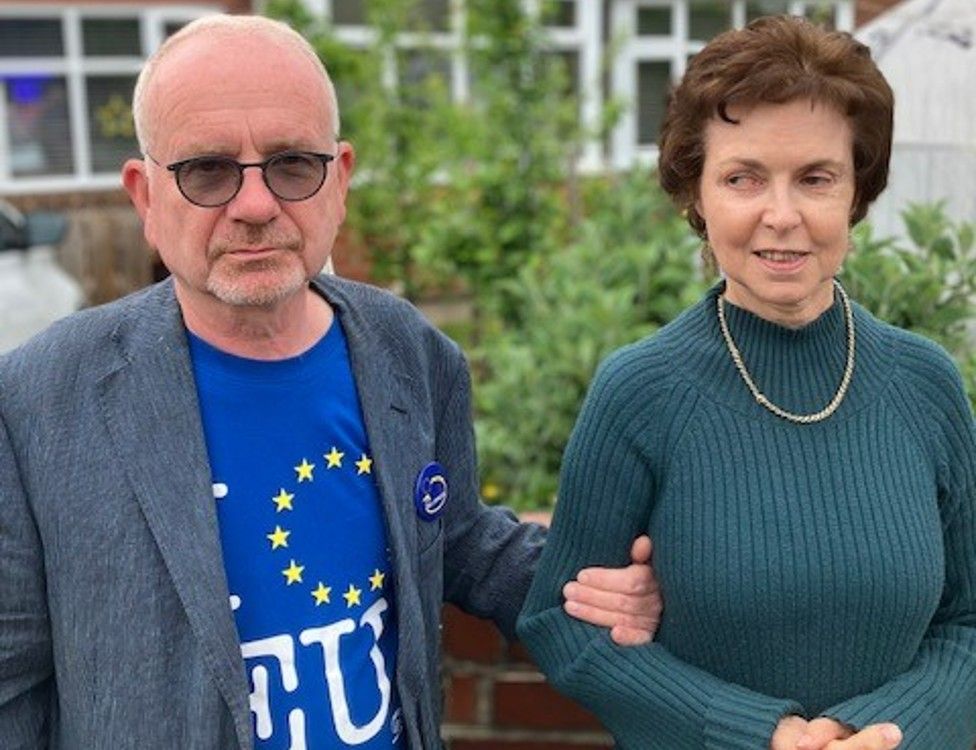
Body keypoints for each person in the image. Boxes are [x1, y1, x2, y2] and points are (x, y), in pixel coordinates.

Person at [0, 15, 662, 750]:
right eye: (208, 170)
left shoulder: (410, 353)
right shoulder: (39, 402)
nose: (255, 206)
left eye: (292, 165)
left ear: (339, 180)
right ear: (146, 196)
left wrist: (597, 579)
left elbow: (458, 537)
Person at [518, 15, 976, 750]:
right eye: (744, 178)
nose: (782, 215)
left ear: (856, 194)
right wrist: (758, 733)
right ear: (696, 196)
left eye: (816, 179)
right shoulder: (641, 393)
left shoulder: (926, 386)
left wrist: (891, 730)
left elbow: (969, 621)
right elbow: (562, 625)